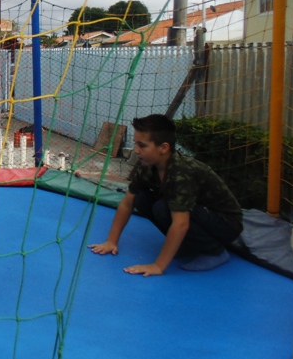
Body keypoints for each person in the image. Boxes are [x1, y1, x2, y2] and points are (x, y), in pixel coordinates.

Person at [88, 114, 243, 275]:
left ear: (163, 148)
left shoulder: (181, 172)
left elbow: (181, 223)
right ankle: (188, 244)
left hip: (227, 223)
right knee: (142, 199)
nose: (136, 150)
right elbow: (127, 203)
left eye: (142, 145)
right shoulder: (148, 166)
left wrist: (158, 266)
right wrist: (111, 241)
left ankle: (214, 252)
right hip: (200, 213)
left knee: (163, 208)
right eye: (136, 144)